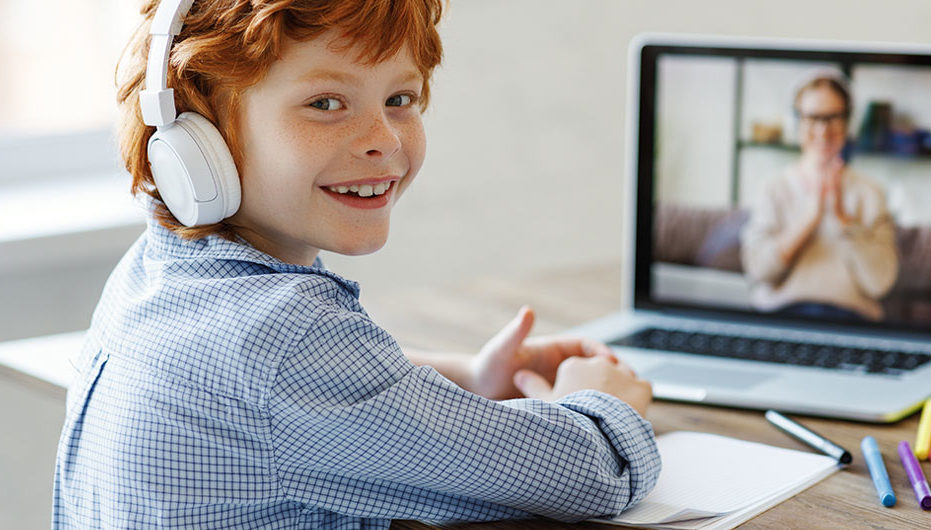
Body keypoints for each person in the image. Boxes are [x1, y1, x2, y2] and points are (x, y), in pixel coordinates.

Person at [52, 1, 659, 527]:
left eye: (400, 98)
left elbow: (298, 394)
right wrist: (604, 405)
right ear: (196, 134)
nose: (385, 139)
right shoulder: (288, 336)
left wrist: (469, 378)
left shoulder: (158, 273)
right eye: (325, 102)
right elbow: (588, 474)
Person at [741, 70, 898, 321]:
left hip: (850, 320)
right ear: (797, 122)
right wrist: (809, 218)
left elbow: (880, 283)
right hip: (780, 316)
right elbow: (759, 272)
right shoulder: (773, 187)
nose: (823, 131)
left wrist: (843, 220)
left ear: (847, 123)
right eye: (812, 118)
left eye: (833, 118)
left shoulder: (870, 192)